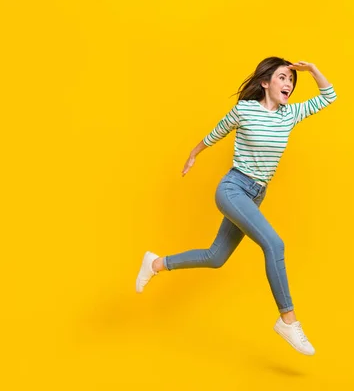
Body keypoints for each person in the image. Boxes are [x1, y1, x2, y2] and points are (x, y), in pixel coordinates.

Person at [135, 57, 337, 355]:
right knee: (274, 244)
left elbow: (329, 96)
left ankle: (155, 263)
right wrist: (194, 153)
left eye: (291, 81)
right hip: (233, 188)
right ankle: (288, 320)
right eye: (282, 78)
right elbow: (217, 132)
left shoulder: (290, 114)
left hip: (256, 194)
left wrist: (311, 70)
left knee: (216, 257)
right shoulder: (245, 110)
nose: (289, 84)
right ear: (265, 83)